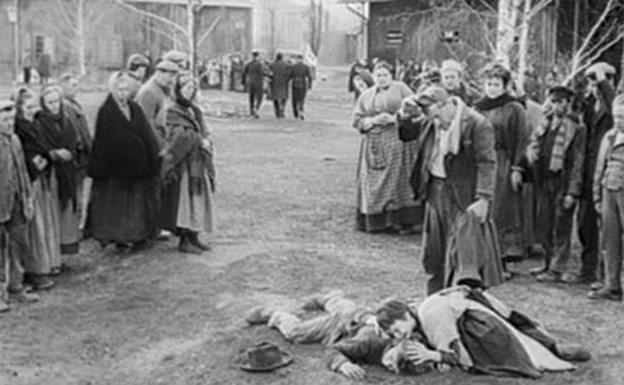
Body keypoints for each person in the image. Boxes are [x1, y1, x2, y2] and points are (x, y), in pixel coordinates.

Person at [397, 85, 498, 294]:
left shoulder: (477, 124)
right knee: (434, 254)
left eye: (431, 112)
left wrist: (484, 198)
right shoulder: (432, 121)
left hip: (464, 196)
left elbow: (487, 162)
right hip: (435, 190)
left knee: (463, 257)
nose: (429, 118)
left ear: (446, 105)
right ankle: (433, 300)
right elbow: (407, 134)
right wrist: (404, 115)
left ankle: (463, 304)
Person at [375, 285, 590, 378]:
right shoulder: (415, 310)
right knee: (519, 330)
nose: (398, 336)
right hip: (478, 308)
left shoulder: (430, 317)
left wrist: (433, 355)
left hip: (482, 327)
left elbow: (458, 355)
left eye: (396, 330)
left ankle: (554, 351)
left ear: (405, 317)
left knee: (523, 348)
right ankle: (552, 346)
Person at [245, 290, 436, 380]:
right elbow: (334, 349)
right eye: (391, 359)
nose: (387, 364)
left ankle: (331, 299)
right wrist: (342, 364)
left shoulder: (411, 338)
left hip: (357, 317)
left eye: (392, 367)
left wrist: (436, 358)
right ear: (393, 345)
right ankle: (275, 314)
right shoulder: (368, 342)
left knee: (350, 310)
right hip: (338, 328)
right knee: (297, 333)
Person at [87, 72, 160, 251]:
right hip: (116, 170)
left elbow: (146, 132)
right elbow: (105, 141)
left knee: (136, 204)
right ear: (112, 90)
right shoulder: (107, 112)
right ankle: (118, 237)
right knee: (118, 205)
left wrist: (151, 153)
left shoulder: (135, 108)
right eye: (119, 90)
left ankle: (138, 235)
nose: (123, 94)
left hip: (138, 168)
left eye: (126, 90)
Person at [525, 86, 585, 282]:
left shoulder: (576, 127)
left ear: (568, 103)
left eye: (560, 101)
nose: (556, 105)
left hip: (563, 180)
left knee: (561, 225)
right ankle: (547, 261)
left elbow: (578, 161)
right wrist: (532, 154)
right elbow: (534, 143)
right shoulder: (545, 122)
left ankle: (557, 268)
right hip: (543, 179)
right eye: (553, 101)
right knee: (543, 223)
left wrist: (572, 191)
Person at [353, 61, 421, 234]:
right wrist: (372, 121)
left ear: (391, 76)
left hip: (399, 141)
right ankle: (377, 220)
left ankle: (401, 220)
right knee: (372, 181)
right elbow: (357, 119)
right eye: (378, 75)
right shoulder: (366, 95)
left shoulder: (402, 89)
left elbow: (416, 110)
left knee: (399, 180)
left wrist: (396, 118)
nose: (382, 79)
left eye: (385, 75)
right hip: (374, 143)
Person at [474, 63, 530, 262]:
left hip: (502, 162)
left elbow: (522, 139)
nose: (492, 88)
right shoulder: (478, 107)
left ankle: (499, 259)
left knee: (500, 210)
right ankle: (480, 257)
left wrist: (517, 167)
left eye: (496, 84)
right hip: (480, 163)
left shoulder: (514, 108)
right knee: (479, 208)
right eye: (489, 84)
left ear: (505, 86)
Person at [570, 62, 616, 286]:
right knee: (584, 224)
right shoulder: (590, 105)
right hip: (588, 171)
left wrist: (604, 83)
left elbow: (613, 104)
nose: (594, 85)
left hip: (608, 170)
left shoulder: (616, 104)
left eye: (596, 80)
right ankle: (588, 269)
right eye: (591, 81)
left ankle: (606, 274)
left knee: (608, 228)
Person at [160, 73, 215, 254]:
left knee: (198, 201)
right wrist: (199, 140)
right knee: (186, 202)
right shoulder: (173, 111)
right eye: (187, 88)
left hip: (198, 163)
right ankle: (184, 239)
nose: (190, 93)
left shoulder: (194, 110)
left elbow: (203, 128)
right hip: (184, 165)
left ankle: (194, 236)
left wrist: (206, 137)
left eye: (193, 89)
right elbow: (177, 137)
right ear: (178, 90)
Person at [13, 89, 57, 291]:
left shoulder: (33, 125)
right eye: (27, 107)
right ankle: (34, 271)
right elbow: (28, 158)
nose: (31, 111)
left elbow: (42, 152)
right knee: (33, 228)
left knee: (40, 225)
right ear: (19, 108)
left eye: (33, 107)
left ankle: (42, 267)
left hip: (39, 179)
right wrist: (38, 162)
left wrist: (43, 159)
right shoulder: (19, 129)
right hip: (28, 182)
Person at [0, 99, 39, 313]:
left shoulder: (15, 140)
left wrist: (27, 198)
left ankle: (16, 285)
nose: (9, 124)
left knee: (18, 244)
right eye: (4, 120)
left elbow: (22, 171)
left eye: (11, 119)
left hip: (16, 202)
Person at [34, 85, 80, 261]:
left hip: (67, 171)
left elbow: (74, 141)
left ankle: (65, 248)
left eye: (57, 101)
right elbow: (40, 146)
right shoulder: (39, 122)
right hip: (51, 173)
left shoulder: (67, 120)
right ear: (44, 104)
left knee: (67, 211)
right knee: (52, 212)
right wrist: (53, 153)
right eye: (50, 102)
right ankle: (52, 256)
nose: (54, 106)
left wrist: (70, 152)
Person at [590, 97, 624, 301]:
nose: (619, 120)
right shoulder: (609, 136)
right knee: (609, 240)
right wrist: (596, 195)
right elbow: (599, 168)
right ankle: (612, 285)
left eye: (623, 116)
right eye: (617, 116)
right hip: (608, 191)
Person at [59, 73, 93, 240]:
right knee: (76, 195)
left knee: (81, 192)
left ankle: (79, 227)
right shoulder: (66, 107)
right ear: (63, 87)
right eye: (73, 85)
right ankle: (76, 229)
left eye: (77, 84)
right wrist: (84, 147)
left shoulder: (74, 104)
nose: (76, 88)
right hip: (77, 158)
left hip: (82, 158)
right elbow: (76, 135)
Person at [135, 59, 179, 148]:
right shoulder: (149, 92)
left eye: (174, 77)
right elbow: (146, 123)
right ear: (159, 73)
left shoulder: (165, 89)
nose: (172, 80)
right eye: (170, 76)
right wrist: (162, 145)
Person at [242, 51, 268, 119]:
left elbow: (244, 72)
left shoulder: (249, 64)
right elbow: (263, 72)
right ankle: (256, 108)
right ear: (258, 56)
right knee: (259, 97)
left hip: (250, 82)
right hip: (258, 82)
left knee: (251, 97)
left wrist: (243, 82)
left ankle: (251, 111)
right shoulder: (260, 64)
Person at [289, 54, 312, 120]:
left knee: (295, 99)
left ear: (297, 60)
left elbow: (290, 75)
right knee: (301, 99)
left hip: (295, 84)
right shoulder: (306, 67)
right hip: (303, 84)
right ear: (302, 59)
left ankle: (296, 113)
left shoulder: (293, 67)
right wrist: (310, 85)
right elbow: (309, 77)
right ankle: (301, 110)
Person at [269, 53, 291, 119]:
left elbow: (269, 74)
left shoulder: (272, 65)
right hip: (284, 83)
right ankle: (282, 109)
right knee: (284, 97)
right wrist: (287, 79)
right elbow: (289, 73)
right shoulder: (286, 65)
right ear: (282, 57)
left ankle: (277, 112)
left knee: (275, 98)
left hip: (275, 83)